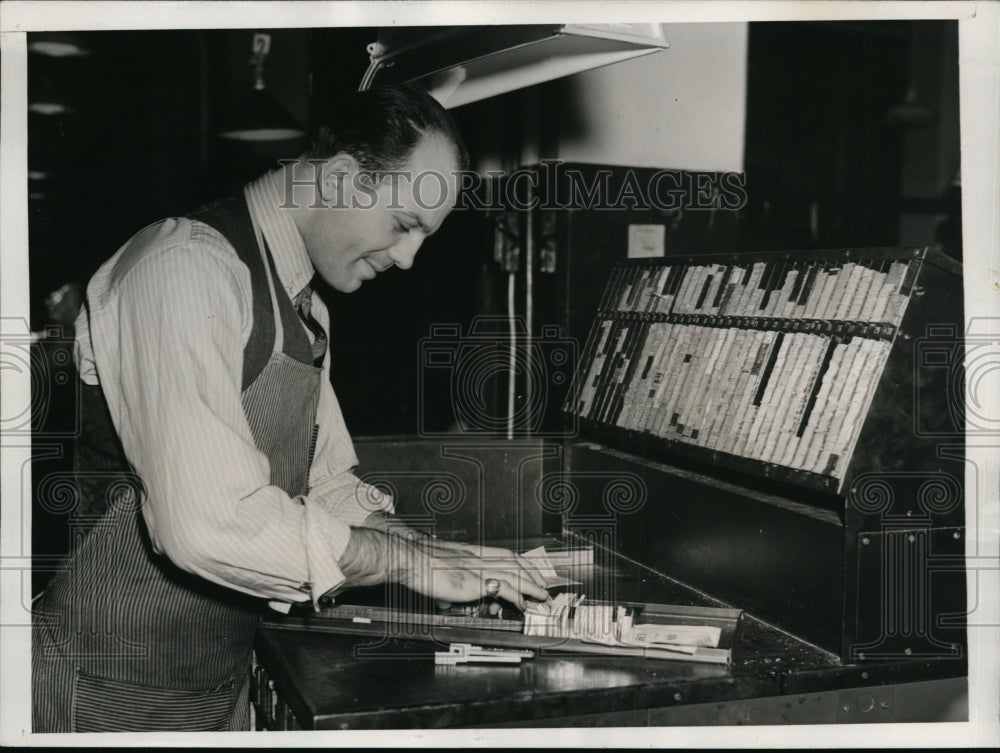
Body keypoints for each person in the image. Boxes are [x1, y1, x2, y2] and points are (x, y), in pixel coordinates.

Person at [32, 84, 548, 733]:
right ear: (339, 178)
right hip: (98, 692)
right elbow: (207, 525)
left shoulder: (303, 305)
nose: (410, 259)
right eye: (404, 224)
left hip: (212, 686)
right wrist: (402, 561)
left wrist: (435, 552)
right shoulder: (183, 269)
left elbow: (325, 483)